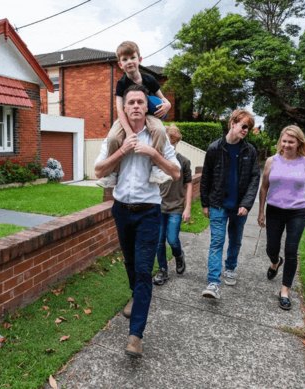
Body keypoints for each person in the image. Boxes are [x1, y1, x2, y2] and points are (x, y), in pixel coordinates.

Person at [94, 84, 180, 357]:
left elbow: (176, 172)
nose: (134, 106)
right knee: (130, 263)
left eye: (139, 102)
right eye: (130, 102)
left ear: (146, 107)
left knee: (144, 270)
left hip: (148, 211)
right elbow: (97, 170)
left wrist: (152, 153)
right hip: (121, 209)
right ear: (125, 107)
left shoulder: (158, 136)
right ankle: (136, 295)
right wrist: (122, 151)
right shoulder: (116, 136)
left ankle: (135, 335)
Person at [257, 125, 305, 310]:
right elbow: (264, 187)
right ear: (280, 141)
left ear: (299, 143)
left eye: (291, 142)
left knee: (291, 250)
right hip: (274, 210)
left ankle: (285, 291)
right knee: (271, 247)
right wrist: (261, 211)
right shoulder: (272, 161)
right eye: (284, 141)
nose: (287, 145)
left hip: (297, 212)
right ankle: (275, 262)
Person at [200, 109, 260, 299]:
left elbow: (254, 179)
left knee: (235, 240)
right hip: (218, 204)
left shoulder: (250, 151)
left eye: (248, 128)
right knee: (217, 241)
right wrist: (205, 203)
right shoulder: (214, 149)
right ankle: (213, 282)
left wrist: (247, 204)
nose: (245, 130)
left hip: (239, 207)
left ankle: (231, 267)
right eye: (243, 126)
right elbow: (206, 178)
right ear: (232, 123)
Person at [96, 40, 172, 189]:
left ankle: (157, 169)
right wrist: (130, 133)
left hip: (148, 114)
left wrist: (168, 104)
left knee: (160, 130)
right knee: (112, 138)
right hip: (126, 116)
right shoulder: (121, 83)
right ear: (120, 64)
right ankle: (112, 174)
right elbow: (119, 109)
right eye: (124, 59)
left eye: (132, 57)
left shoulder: (149, 79)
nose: (129, 62)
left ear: (140, 59)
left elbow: (164, 100)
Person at [153, 124, 192, 286]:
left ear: (176, 142)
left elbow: (189, 184)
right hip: (158, 207)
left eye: (173, 142)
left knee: (173, 239)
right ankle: (163, 270)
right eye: (168, 141)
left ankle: (178, 255)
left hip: (176, 207)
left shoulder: (183, 161)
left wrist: (188, 207)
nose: (170, 144)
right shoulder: (156, 160)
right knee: (159, 241)